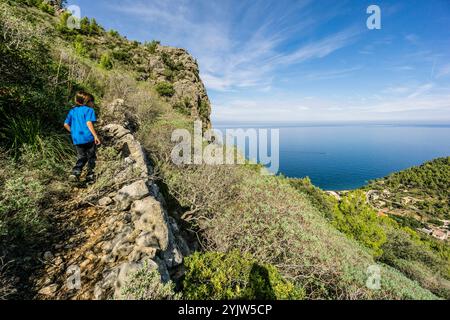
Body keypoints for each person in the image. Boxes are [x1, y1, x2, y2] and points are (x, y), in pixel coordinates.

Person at [64, 91, 101, 182]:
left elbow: (65, 124)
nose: (93, 103)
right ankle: (90, 174)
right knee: (91, 156)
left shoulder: (72, 111)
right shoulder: (89, 110)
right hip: (88, 138)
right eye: (92, 101)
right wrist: (95, 136)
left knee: (81, 156)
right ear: (88, 101)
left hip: (77, 139)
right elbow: (89, 123)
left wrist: (73, 132)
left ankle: (75, 172)